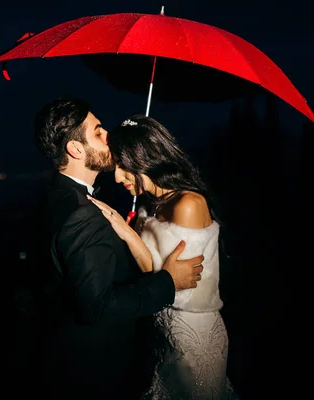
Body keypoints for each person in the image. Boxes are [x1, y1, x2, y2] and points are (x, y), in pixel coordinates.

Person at [31, 97, 205, 400]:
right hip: (101, 372)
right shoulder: (79, 212)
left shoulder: (60, 197)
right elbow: (99, 306)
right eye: (97, 132)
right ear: (75, 149)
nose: (108, 136)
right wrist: (168, 280)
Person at [88, 114, 239, 399]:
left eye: (122, 165)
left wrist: (128, 233)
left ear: (144, 158)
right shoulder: (153, 205)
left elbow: (178, 285)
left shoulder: (189, 204)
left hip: (192, 337)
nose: (117, 175)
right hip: (165, 335)